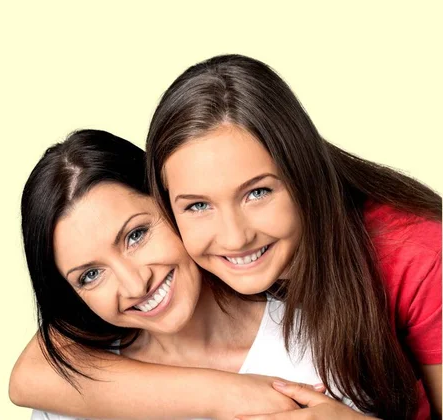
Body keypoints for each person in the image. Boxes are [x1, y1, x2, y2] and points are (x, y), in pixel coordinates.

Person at [145, 54, 441, 419]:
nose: (235, 238)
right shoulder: (171, 262)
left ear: (303, 174)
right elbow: (54, 366)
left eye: (258, 193)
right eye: (198, 206)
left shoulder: (418, 253)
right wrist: (225, 393)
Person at [13, 129, 360, 420]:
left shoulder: (321, 346)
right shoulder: (68, 395)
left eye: (136, 235)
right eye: (90, 275)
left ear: (173, 203)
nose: (135, 285)